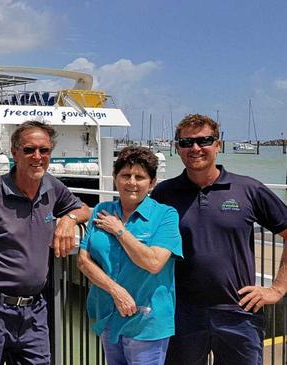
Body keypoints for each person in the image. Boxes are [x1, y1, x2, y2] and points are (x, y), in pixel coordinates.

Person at [0, 120, 90, 364]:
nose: (37, 156)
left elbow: (86, 209)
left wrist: (68, 220)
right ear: (14, 153)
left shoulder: (52, 186)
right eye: (29, 150)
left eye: (44, 151)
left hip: (35, 312)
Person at [150, 114, 287, 365]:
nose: (195, 148)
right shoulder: (164, 193)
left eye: (205, 140)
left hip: (239, 313)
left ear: (218, 144)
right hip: (182, 314)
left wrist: (277, 289)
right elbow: (138, 232)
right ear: (177, 147)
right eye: (186, 142)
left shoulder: (248, 189)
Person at [78, 146, 182, 364]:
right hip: (109, 315)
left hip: (146, 322)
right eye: (125, 175)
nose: (131, 182)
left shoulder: (165, 215)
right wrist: (116, 291)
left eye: (140, 177)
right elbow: (84, 261)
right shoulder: (101, 211)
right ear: (115, 178)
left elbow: (153, 263)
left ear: (152, 182)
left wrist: (119, 230)